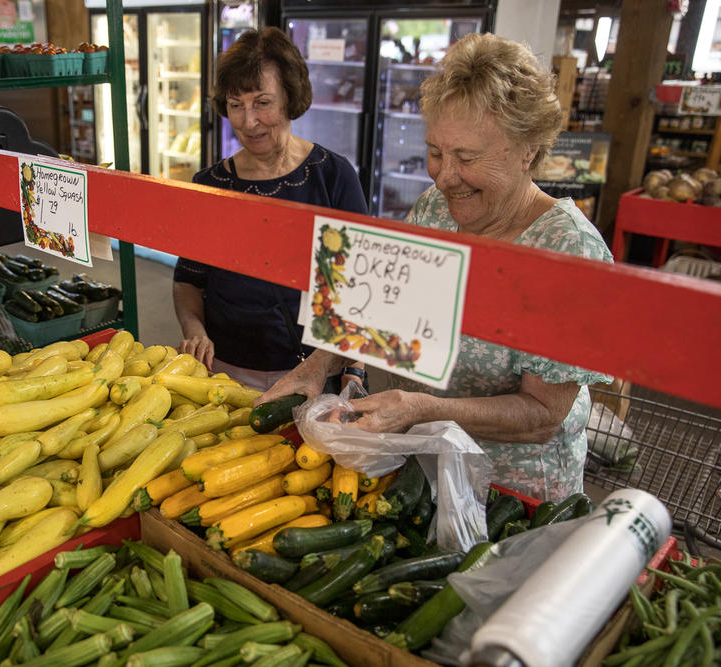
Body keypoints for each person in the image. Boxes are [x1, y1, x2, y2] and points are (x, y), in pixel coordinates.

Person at [258, 33, 613, 502]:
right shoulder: (435, 209)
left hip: (512, 495)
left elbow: (543, 415)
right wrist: (317, 364)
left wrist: (421, 407)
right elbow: (386, 313)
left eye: (466, 157)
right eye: (436, 152)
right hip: (423, 471)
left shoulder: (569, 250)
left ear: (529, 149)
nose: (444, 176)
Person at [173, 27, 368, 391]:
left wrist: (353, 368)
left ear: (290, 98)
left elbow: (359, 286)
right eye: (236, 105)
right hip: (224, 373)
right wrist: (194, 331)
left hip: (311, 373)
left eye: (262, 102)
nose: (249, 122)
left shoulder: (333, 176)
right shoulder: (209, 185)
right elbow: (188, 279)